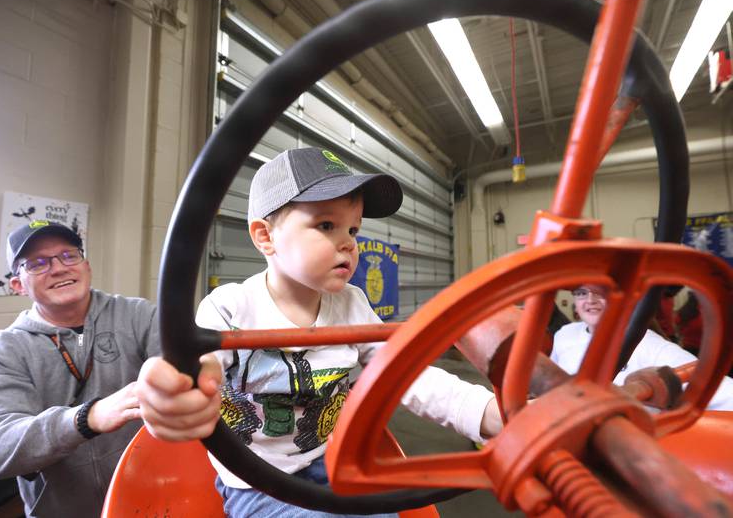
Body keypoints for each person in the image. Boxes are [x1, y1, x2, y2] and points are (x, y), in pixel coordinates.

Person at [135, 147, 502, 518]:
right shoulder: (230, 308)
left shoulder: (352, 305)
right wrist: (188, 383)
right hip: (256, 481)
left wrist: (488, 411)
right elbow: (200, 368)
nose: (349, 243)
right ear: (265, 236)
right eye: (327, 225)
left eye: (353, 229)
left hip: (325, 460)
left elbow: (405, 375)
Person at [0, 220, 220, 517]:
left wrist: (201, 371)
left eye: (69, 255)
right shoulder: (0, 354)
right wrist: (85, 419)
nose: (59, 268)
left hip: (157, 504)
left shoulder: (139, 316)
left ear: (86, 265)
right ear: (18, 284)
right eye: (38, 263)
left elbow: (189, 369)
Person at [551, 284, 733, 410]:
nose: (590, 300)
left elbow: (726, 393)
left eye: (600, 291)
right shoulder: (565, 335)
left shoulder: (652, 348)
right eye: (581, 293)